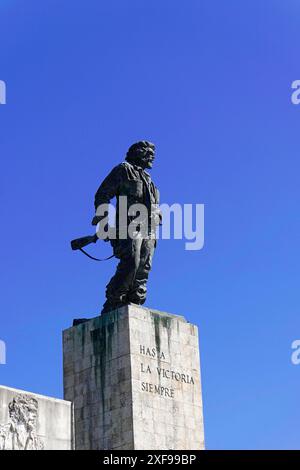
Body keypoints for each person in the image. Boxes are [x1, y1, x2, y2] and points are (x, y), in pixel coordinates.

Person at [92, 141, 161, 314]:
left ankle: (136, 300)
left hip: (149, 229)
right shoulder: (123, 170)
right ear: (136, 152)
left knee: (144, 265)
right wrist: (104, 222)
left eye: (153, 152)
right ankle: (115, 301)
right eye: (147, 151)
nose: (151, 155)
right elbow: (102, 194)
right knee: (131, 260)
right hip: (128, 225)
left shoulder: (149, 180)